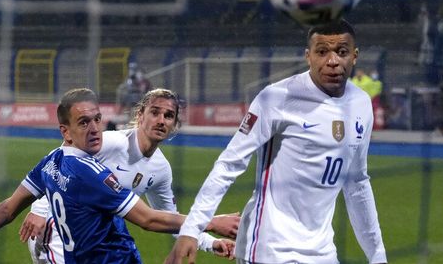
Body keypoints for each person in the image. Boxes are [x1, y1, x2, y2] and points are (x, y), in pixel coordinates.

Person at [165, 19, 387, 264]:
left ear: (354, 57)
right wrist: (191, 229)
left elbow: (356, 182)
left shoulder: (361, 104)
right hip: (270, 248)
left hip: (322, 252)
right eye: (322, 52)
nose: (332, 61)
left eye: (341, 52)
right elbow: (229, 163)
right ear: (308, 56)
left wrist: (377, 255)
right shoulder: (277, 98)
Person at [0, 88, 238, 264]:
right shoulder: (105, 143)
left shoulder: (160, 170)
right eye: (155, 112)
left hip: (107, 240)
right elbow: (64, 161)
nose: (161, 120)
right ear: (140, 114)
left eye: (168, 116)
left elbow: (167, 218)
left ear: (174, 125)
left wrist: (208, 242)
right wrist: (39, 210)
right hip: (59, 238)